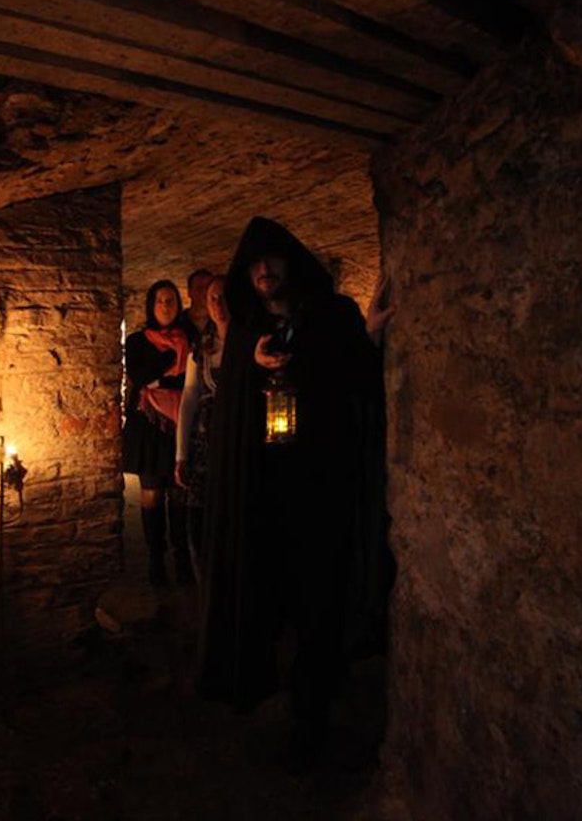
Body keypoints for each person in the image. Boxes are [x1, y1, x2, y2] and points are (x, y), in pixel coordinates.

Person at [196, 217, 396, 768]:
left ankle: (313, 712)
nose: (264, 271)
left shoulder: (332, 316)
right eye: (255, 263)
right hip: (265, 496)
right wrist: (255, 369)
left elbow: (354, 376)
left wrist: (371, 334)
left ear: (291, 261)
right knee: (269, 597)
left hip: (322, 489)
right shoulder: (246, 331)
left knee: (321, 600)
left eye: (273, 260)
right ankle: (272, 687)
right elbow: (235, 401)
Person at [123, 280, 193, 586]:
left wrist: (159, 381)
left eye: (171, 301)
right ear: (152, 306)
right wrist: (167, 362)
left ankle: (181, 557)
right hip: (150, 427)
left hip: (179, 422)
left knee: (178, 493)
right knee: (152, 494)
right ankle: (155, 559)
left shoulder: (188, 338)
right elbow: (139, 377)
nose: (166, 306)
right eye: (161, 301)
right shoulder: (138, 340)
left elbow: (189, 383)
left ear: (178, 306)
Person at [174, 275, 229, 574]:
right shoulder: (202, 346)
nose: (219, 305)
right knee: (200, 520)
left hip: (236, 440)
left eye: (224, 298)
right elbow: (190, 395)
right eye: (213, 299)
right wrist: (181, 454)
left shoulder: (251, 343)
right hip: (204, 444)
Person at [183, 267, 214, 337]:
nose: (204, 292)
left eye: (208, 288)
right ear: (189, 292)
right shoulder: (178, 322)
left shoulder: (220, 320)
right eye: (199, 288)